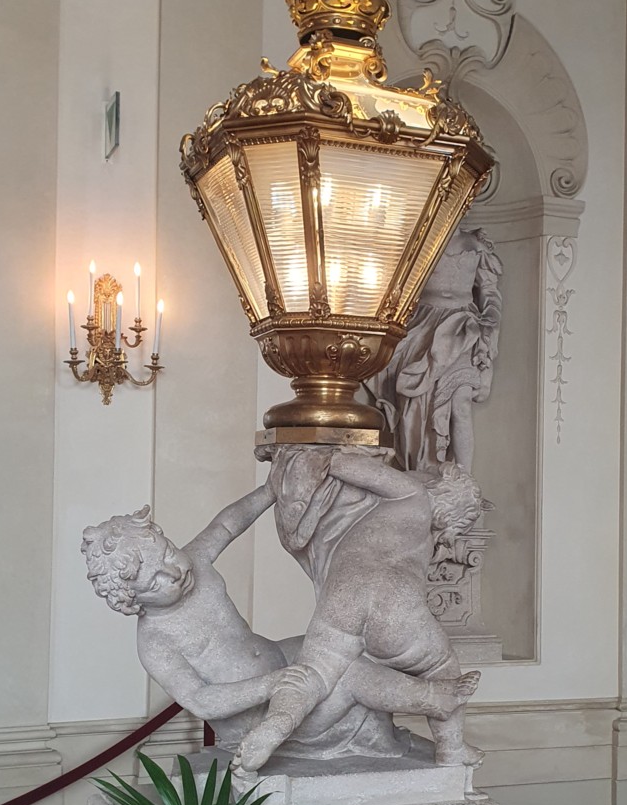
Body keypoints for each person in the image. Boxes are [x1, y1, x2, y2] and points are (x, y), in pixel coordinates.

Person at [82, 487, 475, 757]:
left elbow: (228, 524)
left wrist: (272, 489)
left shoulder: (194, 560)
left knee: (337, 644)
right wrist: (270, 684)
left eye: (168, 553)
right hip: (259, 711)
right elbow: (201, 699)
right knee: (348, 672)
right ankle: (434, 700)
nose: (174, 571)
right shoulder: (155, 641)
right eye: (155, 582)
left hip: (282, 662)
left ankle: (416, 711)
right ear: (131, 600)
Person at [234, 448, 482, 771]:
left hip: (343, 597)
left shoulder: (412, 494)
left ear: (437, 485)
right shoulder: (423, 538)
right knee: (441, 664)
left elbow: (346, 466)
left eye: (429, 473)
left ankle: (276, 725)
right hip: (396, 604)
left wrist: (319, 457)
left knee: (311, 675)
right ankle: (451, 748)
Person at [366, 222, 502, 473]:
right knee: (416, 403)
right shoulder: (419, 244)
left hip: (462, 329)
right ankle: (420, 468)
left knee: (461, 402)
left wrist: (490, 324)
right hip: (422, 328)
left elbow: (489, 293)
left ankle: (464, 480)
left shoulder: (477, 245)